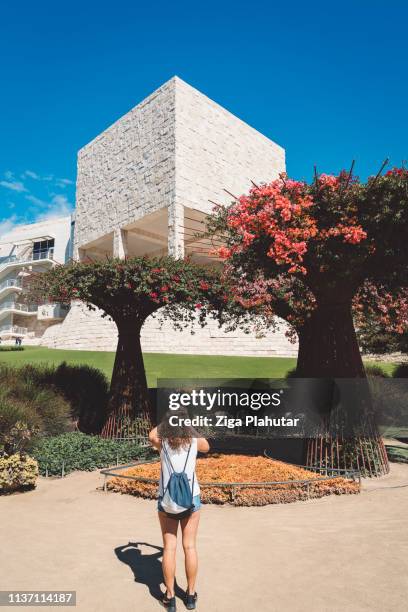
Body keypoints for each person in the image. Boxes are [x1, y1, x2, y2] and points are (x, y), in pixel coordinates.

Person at [149, 417, 209, 612]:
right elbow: (207, 446)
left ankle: (170, 597)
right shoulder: (193, 442)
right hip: (191, 499)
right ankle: (190, 596)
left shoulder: (163, 443)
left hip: (166, 501)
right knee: (189, 546)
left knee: (169, 548)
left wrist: (166, 419)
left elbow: (151, 434)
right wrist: (188, 424)